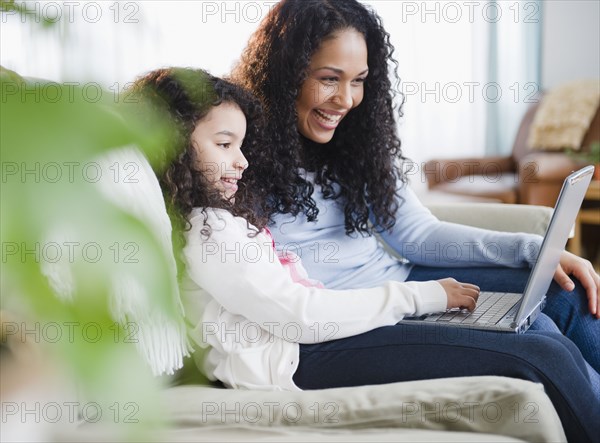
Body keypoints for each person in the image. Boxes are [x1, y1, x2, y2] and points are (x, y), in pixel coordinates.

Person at [128, 67, 599, 441]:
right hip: (300, 358)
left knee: (543, 336)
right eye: (224, 144)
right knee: (539, 353)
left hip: (314, 342)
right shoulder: (205, 231)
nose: (243, 161)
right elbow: (301, 314)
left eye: (241, 145)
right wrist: (424, 296)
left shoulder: (217, 220)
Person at [229, 0, 600, 439]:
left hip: (399, 281)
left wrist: (532, 249)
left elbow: (417, 234)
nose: (345, 100)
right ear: (285, 74)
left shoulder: (353, 140)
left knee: (564, 294)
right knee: (541, 351)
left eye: (359, 81)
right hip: (332, 329)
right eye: (328, 79)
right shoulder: (234, 149)